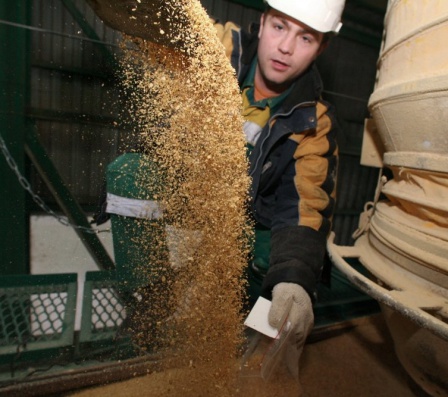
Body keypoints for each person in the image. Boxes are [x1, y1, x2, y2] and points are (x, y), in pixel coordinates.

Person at [214, 0, 344, 365]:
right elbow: (175, 31)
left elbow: (304, 206)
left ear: (322, 47)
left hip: (250, 230)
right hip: (191, 213)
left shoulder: (314, 123)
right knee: (130, 175)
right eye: (279, 27)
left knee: (275, 258)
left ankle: (249, 345)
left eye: (306, 37)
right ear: (262, 20)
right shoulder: (219, 54)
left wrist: (295, 278)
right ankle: (150, 297)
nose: (286, 47)